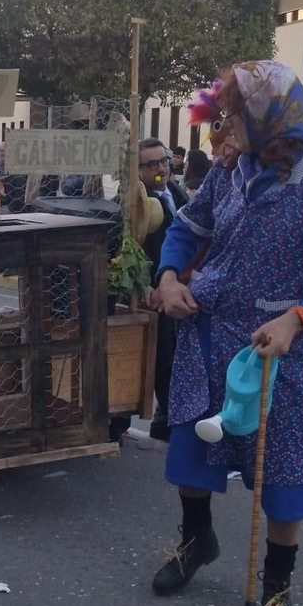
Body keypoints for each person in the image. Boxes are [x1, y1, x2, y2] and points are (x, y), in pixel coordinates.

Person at [149, 61, 303, 606]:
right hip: (213, 331)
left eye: (235, 112)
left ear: (272, 115)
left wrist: (298, 318)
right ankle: (197, 537)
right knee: (192, 449)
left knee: (285, 476)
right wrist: (171, 276)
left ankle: (277, 587)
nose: (223, 123)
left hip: (290, 349)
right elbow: (188, 229)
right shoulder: (229, 171)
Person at [130, 138, 177, 440]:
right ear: (137, 169)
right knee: (159, 358)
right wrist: (145, 284)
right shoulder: (134, 202)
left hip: (176, 289)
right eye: (152, 164)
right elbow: (127, 247)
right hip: (151, 293)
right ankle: (164, 416)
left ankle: (167, 416)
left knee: (175, 358)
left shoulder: (177, 192)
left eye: (164, 161)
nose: (161, 168)